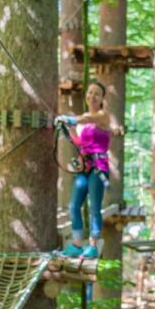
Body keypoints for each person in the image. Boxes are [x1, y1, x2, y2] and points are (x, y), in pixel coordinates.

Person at [54, 81, 123, 259]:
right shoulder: (81, 120)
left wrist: (70, 119)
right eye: (90, 92)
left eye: (97, 94)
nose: (92, 96)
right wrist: (67, 129)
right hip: (84, 166)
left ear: (102, 99)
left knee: (94, 207)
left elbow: (88, 119)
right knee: (74, 206)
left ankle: (92, 245)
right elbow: (79, 143)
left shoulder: (103, 116)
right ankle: (77, 244)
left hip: (98, 167)